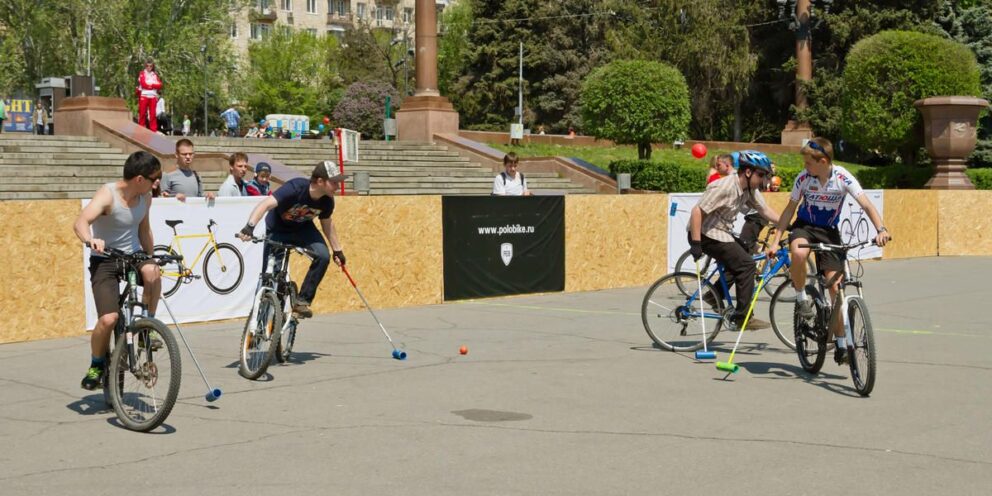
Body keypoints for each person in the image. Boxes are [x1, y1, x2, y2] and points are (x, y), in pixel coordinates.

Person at [768, 137, 891, 364]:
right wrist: (776, 241)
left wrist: (881, 229)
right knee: (798, 253)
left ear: (823, 161)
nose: (805, 166)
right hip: (804, 227)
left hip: (829, 231)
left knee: (836, 288)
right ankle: (802, 297)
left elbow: (866, 204)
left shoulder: (843, 177)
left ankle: (842, 344)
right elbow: (789, 210)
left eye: (808, 162)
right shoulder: (804, 179)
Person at [72, 151, 162, 390]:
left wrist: (151, 257)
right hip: (106, 259)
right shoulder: (108, 194)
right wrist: (90, 240)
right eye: (155, 178)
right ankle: (97, 363)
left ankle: (147, 326)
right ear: (139, 179)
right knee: (108, 319)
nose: (157, 183)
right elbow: (80, 222)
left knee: (153, 272)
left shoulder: (146, 197)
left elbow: (144, 230)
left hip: (133, 255)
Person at [236, 161, 347, 318]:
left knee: (323, 256)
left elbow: (327, 223)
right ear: (320, 181)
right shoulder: (295, 188)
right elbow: (266, 204)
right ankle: (261, 317)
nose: (338, 186)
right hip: (278, 229)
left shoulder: (327, 201)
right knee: (271, 278)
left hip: (303, 230)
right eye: (334, 182)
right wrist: (249, 226)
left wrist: (337, 250)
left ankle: (302, 301)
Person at [688, 150, 781, 330]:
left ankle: (713, 295)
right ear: (748, 172)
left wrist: (789, 225)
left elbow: (765, 211)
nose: (762, 180)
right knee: (747, 266)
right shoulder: (725, 187)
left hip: (721, 232)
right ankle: (742, 318)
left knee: (744, 255)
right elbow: (697, 211)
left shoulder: (748, 189)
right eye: (760, 175)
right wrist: (696, 243)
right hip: (706, 234)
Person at [137, 58, 162, 132]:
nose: (149, 68)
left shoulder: (154, 75)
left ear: (152, 67)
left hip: (153, 96)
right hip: (144, 95)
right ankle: (141, 128)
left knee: (153, 114)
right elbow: (143, 84)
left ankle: (153, 129)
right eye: (147, 66)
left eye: (150, 66)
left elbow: (160, 85)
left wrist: (151, 85)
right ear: (145, 66)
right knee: (142, 113)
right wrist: (153, 85)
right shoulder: (142, 73)